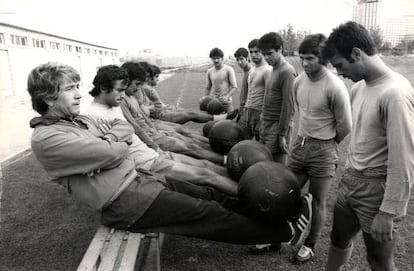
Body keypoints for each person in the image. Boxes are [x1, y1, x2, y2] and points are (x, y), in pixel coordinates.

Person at [28, 61, 314, 248]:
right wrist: (114, 143)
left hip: (141, 180)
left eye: (77, 87)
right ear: (48, 97)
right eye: (69, 89)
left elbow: (120, 132)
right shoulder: (48, 137)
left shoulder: (77, 122)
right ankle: (283, 233)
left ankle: (275, 214)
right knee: (209, 215)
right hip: (126, 202)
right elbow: (114, 150)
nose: (78, 94)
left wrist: (114, 141)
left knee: (210, 196)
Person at [322, 21, 414, 271]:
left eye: (340, 65)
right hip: (350, 181)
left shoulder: (395, 93)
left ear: (356, 53)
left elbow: (403, 161)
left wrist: (389, 212)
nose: (340, 73)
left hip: (377, 193)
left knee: (379, 261)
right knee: (337, 240)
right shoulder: (360, 87)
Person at [83, 65, 235, 195]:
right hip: (147, 164)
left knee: (205, 166)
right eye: (120, 90)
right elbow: (100, 155)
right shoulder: (91, 117)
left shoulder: (113, 106)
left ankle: (240, 173)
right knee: (206, 175)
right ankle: (253, 195)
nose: (123, 95)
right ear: (103, 88)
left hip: (153, 154)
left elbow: (133, 132)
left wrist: (156, 149)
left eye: (124, 90)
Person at [287, 34, 352, 262]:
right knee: (286, 192)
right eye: (302, 58)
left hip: (324, 149)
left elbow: (345, 126)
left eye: (311, 58)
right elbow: (302, 112)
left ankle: (310, 244)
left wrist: (326, 145)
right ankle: (278, 235)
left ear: (323, 57)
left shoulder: (335, 86)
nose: (305, 63)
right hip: (300, 145)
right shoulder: (298, 81)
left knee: (317, 200)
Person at [118, 62, 225, 164]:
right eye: (137, 84)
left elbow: (144, 118)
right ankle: (225, 158)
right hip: (152, 135)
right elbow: (136, 127)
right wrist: (154, 146)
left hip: (154, 131)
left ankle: (221, 150)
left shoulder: (132, 96)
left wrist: (155, 130)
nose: (138, 87)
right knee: (190, 146)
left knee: (188, 139)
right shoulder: (124, 100)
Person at [132, 61, 237, 124]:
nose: (157, 79)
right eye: (155, 76)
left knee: (188, 112)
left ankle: (220, 117)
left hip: (160, 114)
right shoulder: (145, 89)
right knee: (189, 115)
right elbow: (148, 109)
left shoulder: (143, 89)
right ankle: (220, 117)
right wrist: (160, 107)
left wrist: (163, 106)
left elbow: (150, 106)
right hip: (160, 118)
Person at [258, 32, 297, 163]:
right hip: (266, 125)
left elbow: (289, 105)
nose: (266, 57)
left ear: (280, 49)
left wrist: (282, 135)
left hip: (278, 127)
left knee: (276, 169)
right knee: (264, 164)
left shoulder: (287, 71)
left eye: (269, 53)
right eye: (264, 54)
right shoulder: (272, 70)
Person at [243, 39, 272, 140]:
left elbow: (268, 96)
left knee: (260, 146)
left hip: (259, 112)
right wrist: (245, 110)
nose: (253, 55)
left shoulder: (268, 70)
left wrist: (262, 118)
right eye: (251, 52)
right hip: (248, 110)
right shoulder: (252, 70)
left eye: (256, 51)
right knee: (244, 144)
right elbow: (250, 92)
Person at [204, 47, 238, 112]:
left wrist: (227, 96)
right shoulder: (209, 71)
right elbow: (208, 88)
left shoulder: (228, 69)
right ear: (211, 59)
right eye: (214, 58)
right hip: (214, 102)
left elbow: (234, 87)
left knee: (228, 121)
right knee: (213, 121)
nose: (216, 60)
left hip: (226, 102)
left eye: (218, 58)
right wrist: (205, 99)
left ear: (222, 58)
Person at [233, 47, 252, 126]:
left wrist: (244, 109)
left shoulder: (251, 72)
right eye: (237, 60)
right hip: (243, 108)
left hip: (248, 110)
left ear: (247, 58)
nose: (239, 62)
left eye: (241, 59)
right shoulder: (246, 72)